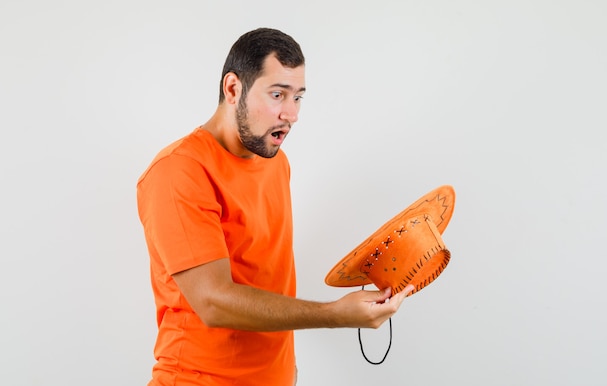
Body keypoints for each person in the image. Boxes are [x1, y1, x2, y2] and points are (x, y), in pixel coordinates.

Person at [136, 27, 414, 386]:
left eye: (298, 97)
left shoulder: (275, 162)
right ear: (233, 89)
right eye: (278, 94)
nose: (291, 113)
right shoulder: (180, 171)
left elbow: (266, 277)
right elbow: (213, 301)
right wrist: (333, 315)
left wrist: (285, 369)